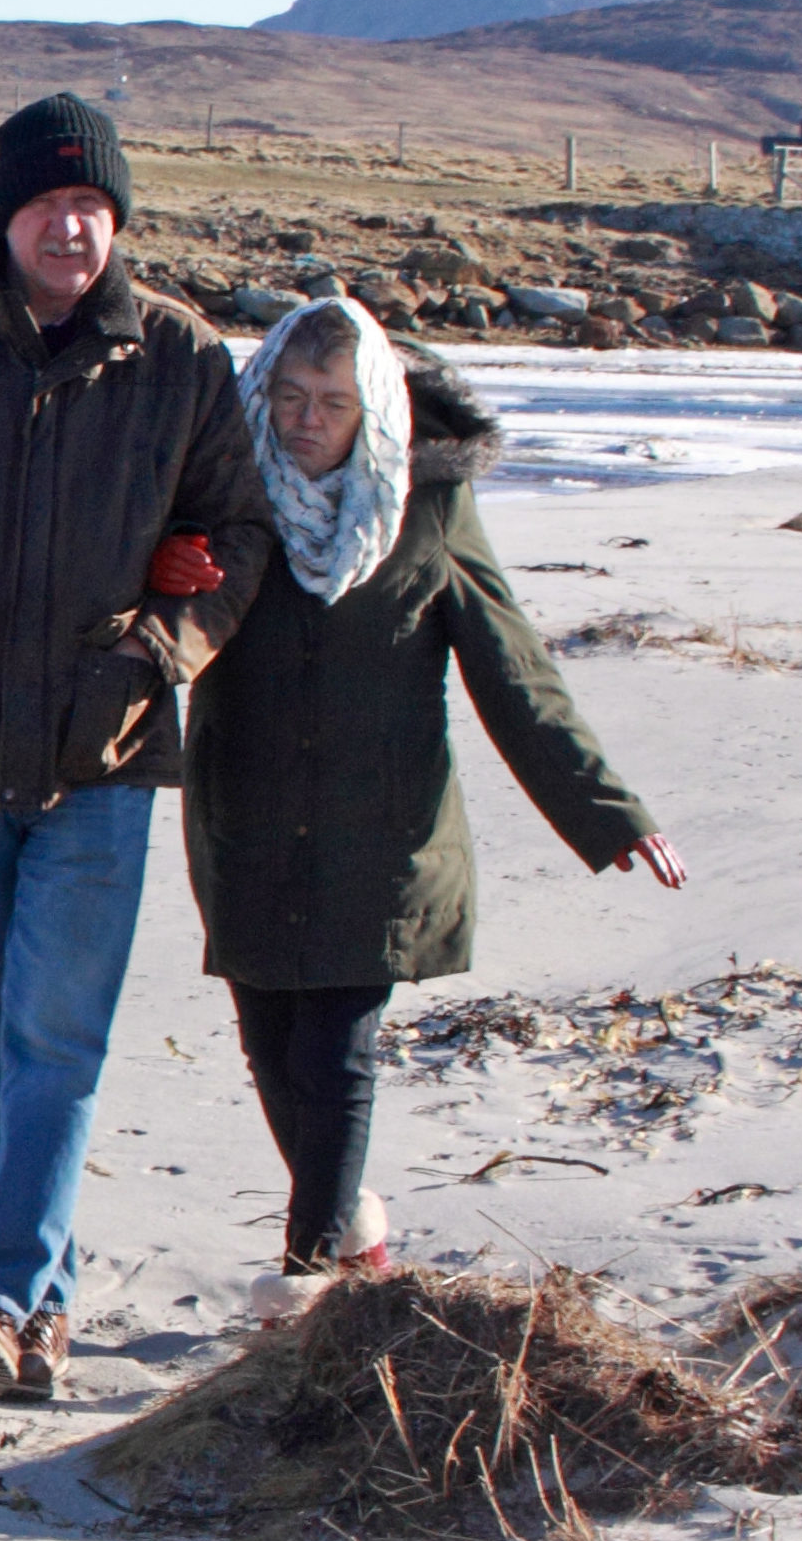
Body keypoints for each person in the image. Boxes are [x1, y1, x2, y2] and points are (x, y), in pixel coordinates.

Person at [0, 93, 277, 1404]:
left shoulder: (179, 359)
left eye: (94, 208)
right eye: (50, 204)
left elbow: (242, 530)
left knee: (58, 1041)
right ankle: (39, 1297)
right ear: (5, 215)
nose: (72, 227)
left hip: (101, 759)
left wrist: (165, 647)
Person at [184, 298, 683, 1321]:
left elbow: (516, 671)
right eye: (288, 396)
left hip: (384, 835)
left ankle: (309, 1274)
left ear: (374, 405)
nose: (306, 421)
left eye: (331, 401)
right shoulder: (222, 503)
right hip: (249, 825)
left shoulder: (428, 508)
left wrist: (607, 809)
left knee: (338, 1049)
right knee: (271, 1046)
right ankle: (353, 1225)